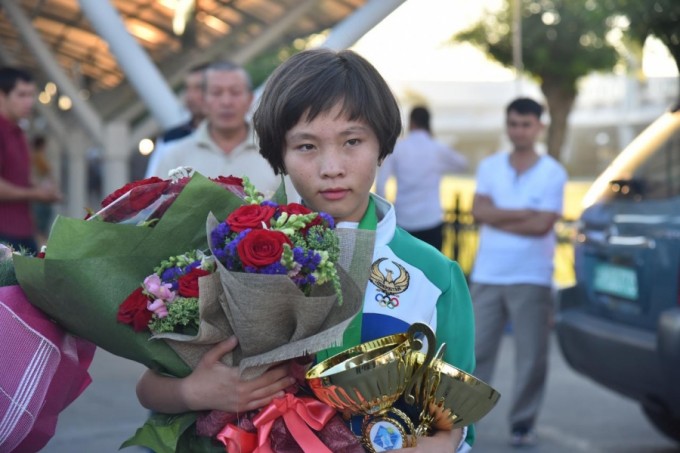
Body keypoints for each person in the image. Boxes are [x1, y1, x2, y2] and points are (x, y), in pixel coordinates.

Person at [136, 48, 476, 452]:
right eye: (306, 147)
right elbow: (150, 388)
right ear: (278, 155)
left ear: (383, 143)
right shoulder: (235, 255)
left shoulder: (433, 274)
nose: (332, 167)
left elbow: (457, 419)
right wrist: (198, 393)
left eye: (352, 141)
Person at [469, 97, 567, 448]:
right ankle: (462, 425)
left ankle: (522, 424)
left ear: (539, 126)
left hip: (532, 276)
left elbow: (543, 225)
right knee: (475, 353)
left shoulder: (553, 172)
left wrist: (500, 213)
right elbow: (478, 211)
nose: (518, 130)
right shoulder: (491, 166)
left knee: (531, 358)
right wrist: (523, 213)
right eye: (513, 123)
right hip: (488, 275)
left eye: (526, 124)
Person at [149, 60, 297, 199]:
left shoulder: (276, 152)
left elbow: (293, 210)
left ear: (250, 99)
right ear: (204, 100)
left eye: (235, 92)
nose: (226, 102)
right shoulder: (174, 155)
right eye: (216, 93)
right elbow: (155, 213)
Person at [376, 106, 468, 251]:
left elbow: (381, 185)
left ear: (411, 122)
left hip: (403, 220)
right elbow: (462, 164)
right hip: (431, 219)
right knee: (432, 271)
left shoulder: (399, 148)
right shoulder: (436, 148)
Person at [0, 67, 61, 254]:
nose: (29, 102)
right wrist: (36, 193)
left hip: (22, 232)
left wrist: (39, 189)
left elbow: (16, 178)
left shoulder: (17, 132)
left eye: (31, 95)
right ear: (2, 95)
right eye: (22, 94)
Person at [145, 63, 208, 178]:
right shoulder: (170, 139)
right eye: (187, 88)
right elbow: (153, 185)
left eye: (199, 88)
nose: (190, 96)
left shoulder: (239, 137)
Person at [30, 135, 55, 247]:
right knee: (42, 229)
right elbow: (46, 175)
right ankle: (42, 251)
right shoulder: (39, 158)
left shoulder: (32, 157)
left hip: (39, 197)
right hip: (42, 197)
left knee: (40, 228)